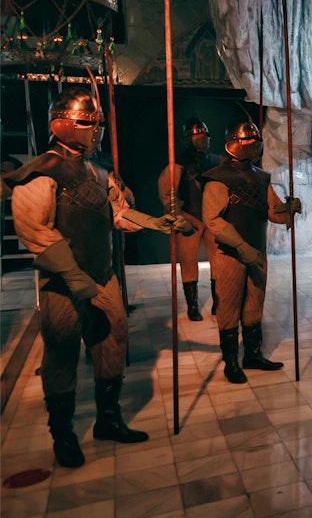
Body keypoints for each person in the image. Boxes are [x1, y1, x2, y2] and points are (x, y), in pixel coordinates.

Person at [4, 86, 193, 468]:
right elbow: (35, 229)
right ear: (62, 125)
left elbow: (117, 213)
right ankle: (63, 433)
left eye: (98, 123)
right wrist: (73, 275)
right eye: (87, 122)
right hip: (62, 279)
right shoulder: (41, 172)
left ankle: (108, 419)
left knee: (113, 338)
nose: (95, 130)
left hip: (103, 273)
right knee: (62, 349)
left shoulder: (98, 172)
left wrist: (154, 222)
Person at [200, 119, 300, 384]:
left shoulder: (260, 177)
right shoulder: (218, 178)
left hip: (257, 251)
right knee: (229, 306)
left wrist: (288, 210)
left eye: (257, 139)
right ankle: (231, 362)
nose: (255, 144)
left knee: (255, 303)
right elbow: (212, 219)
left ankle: (253, 354)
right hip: (230, 253)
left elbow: (271, 211)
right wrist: (240, 246)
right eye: (249, 140)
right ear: (234, 142)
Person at [158, 118, 221, 321]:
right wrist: (178, 217)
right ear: (187, 139)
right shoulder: (177, 165)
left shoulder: (216, 161)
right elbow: (168, 193)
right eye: (197, 136)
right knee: (187, 262)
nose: (201, 139)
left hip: (213, 217)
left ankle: (219, 302)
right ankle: (192, 305)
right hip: (189, 217)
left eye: (204, 135)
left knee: (218, 261)